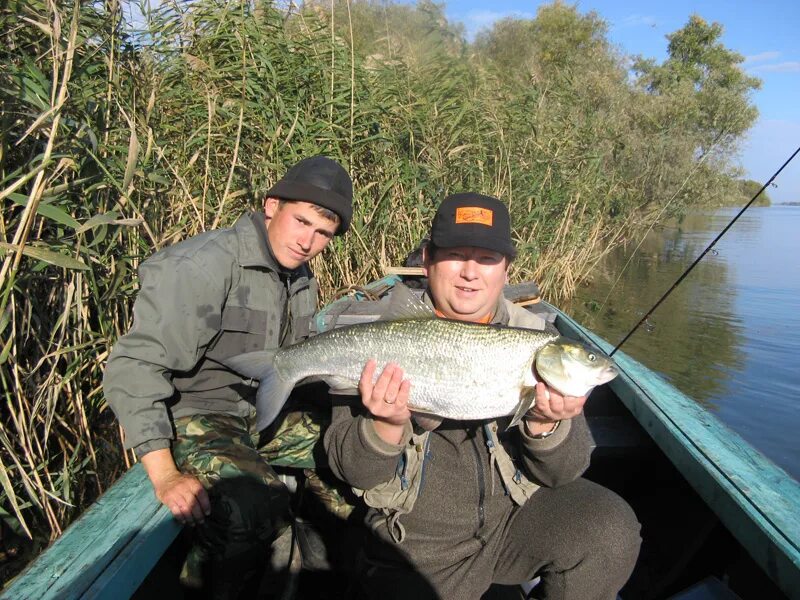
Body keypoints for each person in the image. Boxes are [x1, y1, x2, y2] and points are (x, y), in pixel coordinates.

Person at [324, 193, 641, 600]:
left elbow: (561, 474)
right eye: (456, 255)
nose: (470, 273)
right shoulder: (386, 337)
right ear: (427, 260)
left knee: (610, 529)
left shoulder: (537, 342)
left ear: (506, 270)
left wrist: (546, 426)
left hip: (511, 520)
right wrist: (385, 425)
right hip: (415, 541)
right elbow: (356, 473)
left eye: (488, 259)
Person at [103, 155, 353, 597]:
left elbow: (289, 360)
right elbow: (134, 366)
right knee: (253, 505)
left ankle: (315, 585)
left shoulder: (297, 273)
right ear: (272, 204)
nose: (307, 241)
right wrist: (165, 475)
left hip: (258, 411)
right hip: (197, 415)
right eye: (301, 221)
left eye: (322, 234)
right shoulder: (202, 266)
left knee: (347, 455)